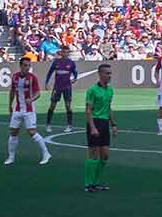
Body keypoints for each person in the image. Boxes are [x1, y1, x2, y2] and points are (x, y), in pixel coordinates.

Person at [5, 58, 51, 166]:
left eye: (28, 65)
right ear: (20, 66)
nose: (27, 67)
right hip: (17, 109)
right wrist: (10, 105)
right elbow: (12, 91)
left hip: (29, 110)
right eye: (25, 65)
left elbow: (38, 93)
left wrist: (31, 99)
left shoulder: (32, 78)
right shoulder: (15, 77)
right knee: (13, 132)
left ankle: (46, 153)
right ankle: (11, 157)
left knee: (32, 132)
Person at [83, 62, 114, 193]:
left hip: (105, 123)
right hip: (94, 122)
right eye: (107, 73)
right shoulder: (92, 90)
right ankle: (88, 183)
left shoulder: (110, 90)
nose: (109, 76)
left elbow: (109, 108)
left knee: (105, 155)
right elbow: (88, 110)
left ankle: (96, 182)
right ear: (100, 74)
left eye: (110, 73)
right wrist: (92, 127)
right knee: (93, 153)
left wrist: (114, 124)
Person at [45, 47, 79, 132]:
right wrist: (46, 83)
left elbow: (75, 72)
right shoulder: (56, 62)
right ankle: (48, 125)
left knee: (68, 106)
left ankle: (69, 125)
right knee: (52, 106)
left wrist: (75, 78)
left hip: (67, 87)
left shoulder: (71, 63)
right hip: (57, 87)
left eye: (67, 52)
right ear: (61, 53)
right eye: (64, 52)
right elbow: (50, 72)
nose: (65, 54)